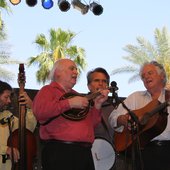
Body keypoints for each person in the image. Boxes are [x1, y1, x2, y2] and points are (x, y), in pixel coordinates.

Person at [32, 59, 109, 170]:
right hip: (60, 153)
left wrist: (97, 105)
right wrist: (69, 103)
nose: (76, 72)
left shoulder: (77, 96)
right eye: (71, 68)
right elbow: (40, 112)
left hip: (84, 153)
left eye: (76, 69)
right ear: (58, 72)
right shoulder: (48, 90)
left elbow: (90, 125)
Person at [109, 61, 170, 170]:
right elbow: (112, 117)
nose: (146, 77)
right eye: (143, 76)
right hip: (142, 153)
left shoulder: (168, 97)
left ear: (162, 76)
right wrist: (122, 119)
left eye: (150, 73)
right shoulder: (135, 97)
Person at [0, 80, 37, 170]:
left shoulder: (7, 115)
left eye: (10, 97)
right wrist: (6, 149)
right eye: (6, 97)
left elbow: (26, 130)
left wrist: (30, 107)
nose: (9, 101)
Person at [87, 67, 116, 170]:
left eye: (104, 81)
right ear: (89, 86)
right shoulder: (82, 105)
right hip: (86, 158)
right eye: (96, 80)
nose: (101, 84)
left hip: (107, 159)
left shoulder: (112, 108)